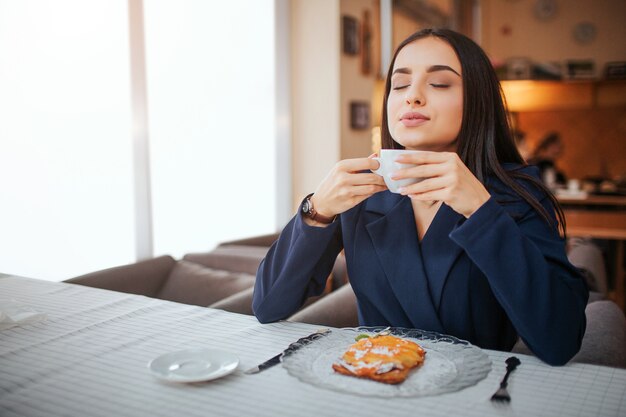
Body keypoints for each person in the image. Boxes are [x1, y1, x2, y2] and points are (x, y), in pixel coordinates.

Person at [252, 28, 588, 366]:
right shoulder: (363, 194)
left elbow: (559, 340)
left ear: (478, 100)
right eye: (399, 85)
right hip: (374, 385)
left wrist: (481, 211)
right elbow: (268, 306)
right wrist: (317, 211)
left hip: (478, 393)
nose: (412, 96)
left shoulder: (517, 196)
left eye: (439, 84)